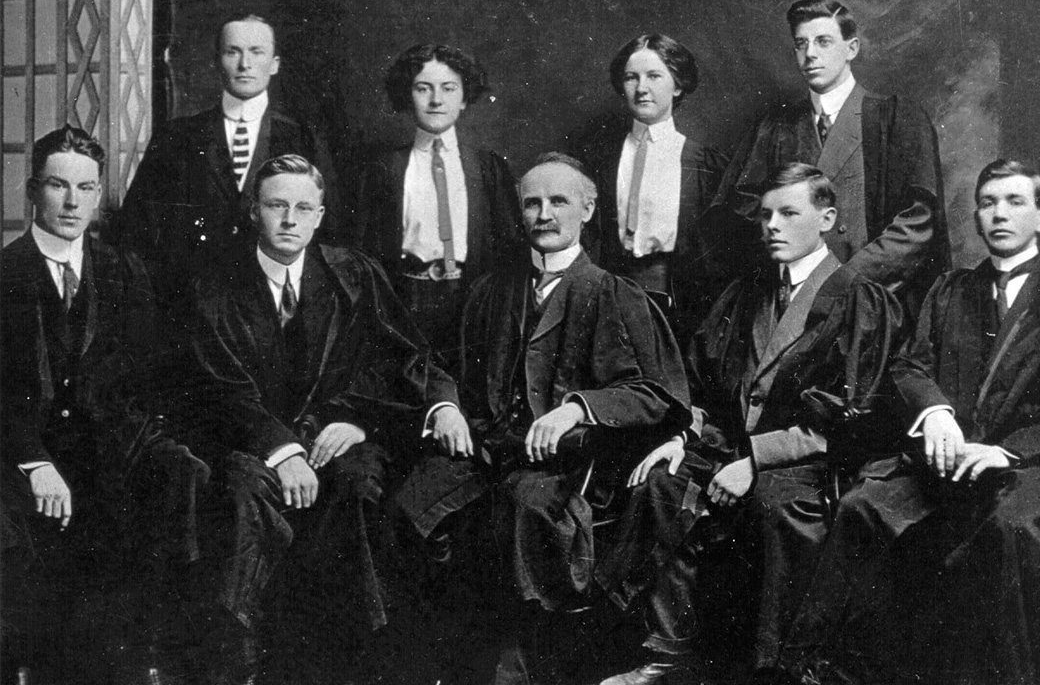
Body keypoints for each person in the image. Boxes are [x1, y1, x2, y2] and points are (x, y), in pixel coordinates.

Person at [595, 163, 907, 684]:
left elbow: (852, 416)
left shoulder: (859, 298)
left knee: (773, 504)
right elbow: (700, 384)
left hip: (808, 461)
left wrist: (755, 460)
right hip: (729, 446)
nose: (772, 226)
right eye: (765, 215)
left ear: (827, 218)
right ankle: (667, 654)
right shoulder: (746, 293)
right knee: (662, 482)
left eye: (789, 213)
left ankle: (779, 668)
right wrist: (682, 437)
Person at [393, 153, 691, 683]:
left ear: (588, 209)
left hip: (566, 466)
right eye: (532, 202)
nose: (544, 214)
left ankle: (519, 665)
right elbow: (434, 359)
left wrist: (579, 407)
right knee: (412, 502)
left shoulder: (611, 293)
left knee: (523, 508)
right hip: (483, 451)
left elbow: (658, 394)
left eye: (559, 201)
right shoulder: (488, 290)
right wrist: (446, 407)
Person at [183, 154, 467, 682]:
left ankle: (354, 658)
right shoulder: (216, 285)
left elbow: (401, 358)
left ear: (319, 216)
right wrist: (284, 451)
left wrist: (357, 421)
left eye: (302, 208)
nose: (289, 219)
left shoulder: (352, 274)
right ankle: (239, 661)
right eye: (276, 205)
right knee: (246, 492)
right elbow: (220, 387)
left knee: (360, 483)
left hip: (337, 434)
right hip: (252, 439)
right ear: (253, 211)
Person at [0, 126, 208, 683]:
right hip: (23, 453)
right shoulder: (5, 274)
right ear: (32, 190)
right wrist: (36, 462)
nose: (71, 203)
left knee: (174, 476)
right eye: (58, 186)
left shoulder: (125, 269)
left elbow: (142, 376)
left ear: (98, 195)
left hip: (105, 450)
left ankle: (149, 660)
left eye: (85, 188)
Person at [883, 160, 1040, 685]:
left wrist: (1009, 450)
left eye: (1015, 202)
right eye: (988, 202)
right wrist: (935, 412)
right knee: (866, 509)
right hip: (948, 460)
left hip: (1039, 465)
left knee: (1009, 529)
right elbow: (910, 364)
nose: (999, 214)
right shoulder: (950, 290)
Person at [716, 0, 948, 315]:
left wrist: (845, 282)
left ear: (851, 48)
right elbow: (742, 206)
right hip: (788, 300)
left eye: (823, 41)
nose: (810, 54)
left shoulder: (895, 119)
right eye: (801, 44)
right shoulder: (775, 127)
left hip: (872, 301)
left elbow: (919, 220)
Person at [114, 13, 341, 304]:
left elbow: (330, 230)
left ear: (274, 64)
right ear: (216, 61)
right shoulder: (177, 137)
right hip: (189, 305)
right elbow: (136, 229)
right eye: (233, 52)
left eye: (256, 52)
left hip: (271, 302)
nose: (244, 64)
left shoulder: (303, 138)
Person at [357, 43, 519, 363]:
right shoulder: (383, 168)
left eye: (448, 88)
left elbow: (509, 246)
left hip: (470, 300)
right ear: (407, 95)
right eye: (423, 88)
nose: (436, 100)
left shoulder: (487, 168)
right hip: (404, 300)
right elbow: (363, 249)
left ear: (463, 98)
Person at [590, 33, 725, 341]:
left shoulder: (703, 162)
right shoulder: (602, 158)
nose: (641, 88)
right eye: (631, 78)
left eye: (654, 76)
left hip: (677, 298)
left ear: (677, 85)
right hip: (612, 293)